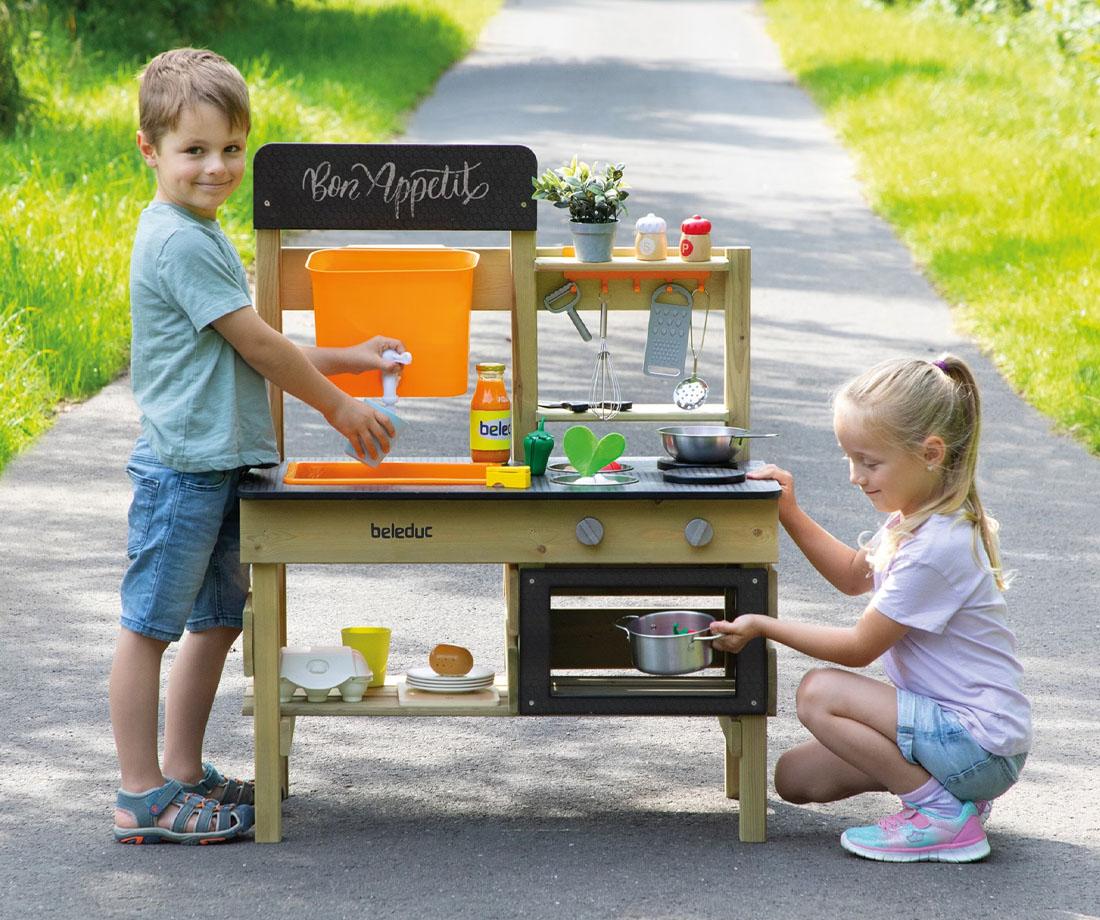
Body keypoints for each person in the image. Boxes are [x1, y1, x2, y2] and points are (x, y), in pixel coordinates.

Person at [110, 47, 405, 844]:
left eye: (231, 149)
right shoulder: (175, 239)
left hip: (222, 463)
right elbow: (260, 349)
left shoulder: (197, 233)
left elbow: (253, 341)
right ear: (150, 148)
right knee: (149, 627)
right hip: (183, 469)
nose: (216, 167)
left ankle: (181, 771)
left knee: (217, 620)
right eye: (194, 150)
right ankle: (140, 795)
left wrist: (351, 356)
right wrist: (342, 407)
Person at [711, 354, 1031, 863]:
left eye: (869, 461)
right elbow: (853, 576)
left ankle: (941, 816)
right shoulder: (917, 518)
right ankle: (954, 801)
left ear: (930, 453)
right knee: (793, 778)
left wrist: (763, 626)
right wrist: (788, 511)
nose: (855, 477)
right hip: (961, 740)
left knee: (819, 693)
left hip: (978, 743)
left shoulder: (937, 546)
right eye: (850, 459)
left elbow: (859, 649)